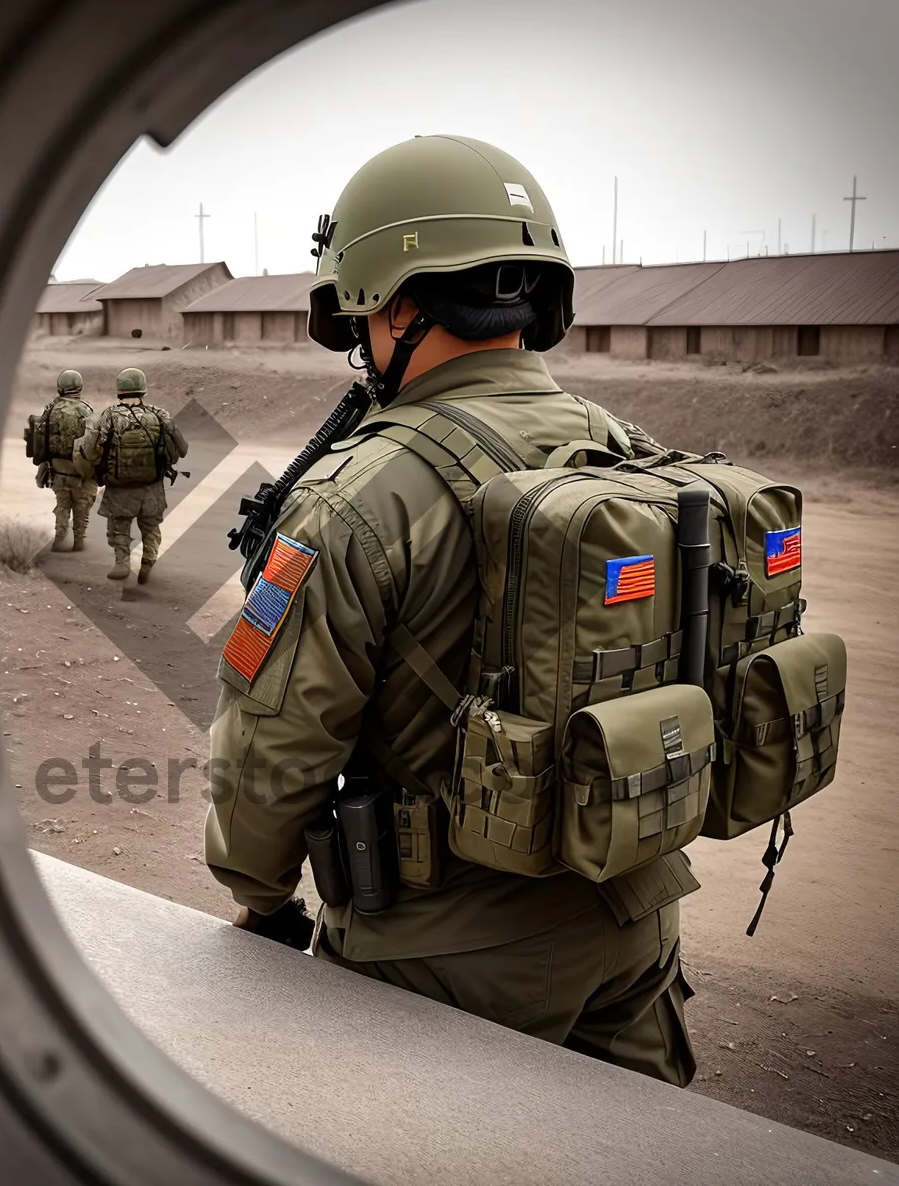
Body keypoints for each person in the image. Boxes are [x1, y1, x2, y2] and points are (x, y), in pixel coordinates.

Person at [204, 135, 696, 1086]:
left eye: (362, 318)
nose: (362, 341)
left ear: (395, 304)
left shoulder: (360, 494)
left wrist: (260, 896)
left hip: (439, 959)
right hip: (633, 920)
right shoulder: (627, 448)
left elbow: (274, 745)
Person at [73, 367, 187, 583]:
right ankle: (148, 562)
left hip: (119, 485)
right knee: (151, 526)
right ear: (143, 390)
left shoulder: (109, 415)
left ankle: (121, 563)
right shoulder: (159, 414)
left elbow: (90, 451)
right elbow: (181, 450)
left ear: (120, 390)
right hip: (151, 485)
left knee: (119, 525)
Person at [38, 369, 96, 553]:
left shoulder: (51, 408)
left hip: (57, 468)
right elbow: (93, 441)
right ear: (79, 386)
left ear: (60, 387)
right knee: (81, 505)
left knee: (62, 504)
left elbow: (41, 435)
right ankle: (79, 541)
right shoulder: (86, 409)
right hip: (80, 470)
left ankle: (59, 539)